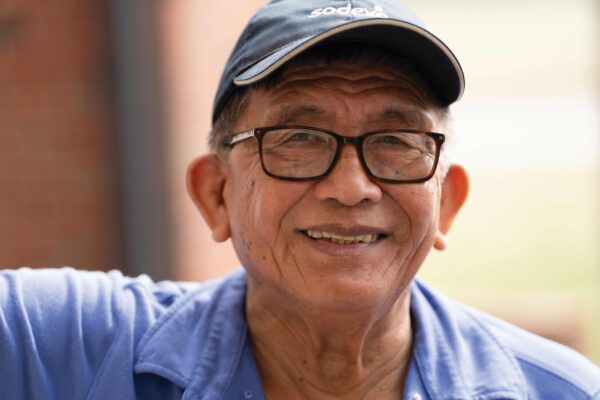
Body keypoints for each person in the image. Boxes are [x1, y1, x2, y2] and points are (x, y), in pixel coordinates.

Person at [1, 0, 599, 399]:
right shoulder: (59, 347)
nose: (352, 187)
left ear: (446, 203)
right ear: (216, 193)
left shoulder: (558, 391)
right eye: (299, 139)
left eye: (396, 141)